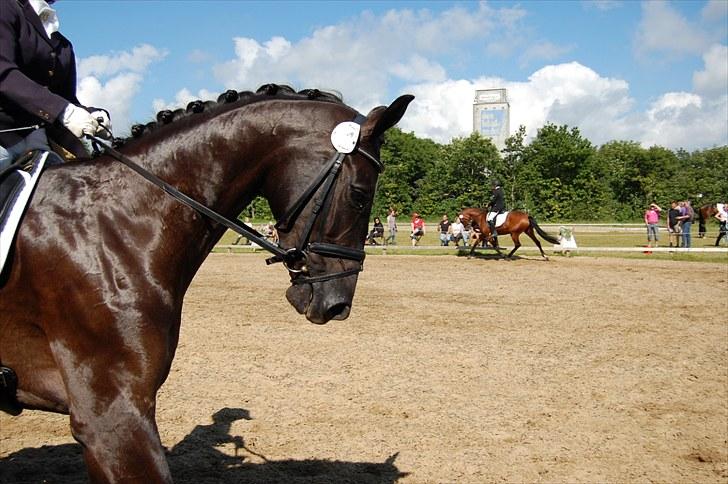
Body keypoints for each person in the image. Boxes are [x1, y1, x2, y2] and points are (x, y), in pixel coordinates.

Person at [0, 0, 111, 171]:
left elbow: (66, 100)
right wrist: (64, 111)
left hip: (39, 141)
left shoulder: (63, 46)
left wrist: (92, 114)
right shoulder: (5, 7)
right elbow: (4, 74)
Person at [486, 179, 505, 248]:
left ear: (495, 185)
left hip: (497, 207)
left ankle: (494, 232)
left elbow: (493, 200)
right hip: (501, 206)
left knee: (490, 219)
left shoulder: (496, 191)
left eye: (492, 185)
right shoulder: (501, 190)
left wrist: (488, 204)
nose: (492, 186)